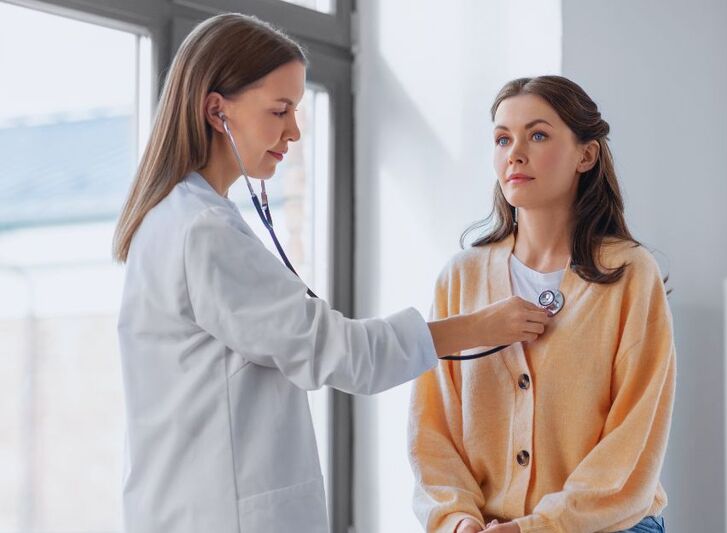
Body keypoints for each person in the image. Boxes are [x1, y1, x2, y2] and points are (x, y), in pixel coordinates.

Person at [113, 13, 549, 533]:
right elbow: (337, 352)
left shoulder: (175, 219)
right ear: (216, 111)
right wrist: (478, 326)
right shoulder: (203, 231)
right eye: (280, 110)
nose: (294, 131)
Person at [408, 76, 676, 533]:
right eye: (501, 138)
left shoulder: (630, 272)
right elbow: (432, 429)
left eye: (537, 135)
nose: (514, 153)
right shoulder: (461, 277)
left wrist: (537, 528)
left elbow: (634, 437)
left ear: (585, 155)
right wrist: (457, 521)